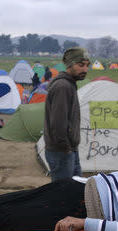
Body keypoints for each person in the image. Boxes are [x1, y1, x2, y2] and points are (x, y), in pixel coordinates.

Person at [44, 47, 90, 182]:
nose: (85, 70)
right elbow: (58, 123)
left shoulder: (69, 84)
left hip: (68, 149)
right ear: (70, 64)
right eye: (81, 65)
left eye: (87, 65)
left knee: (76, 190)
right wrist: (66, 148)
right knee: (63, 196)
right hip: (62, 151)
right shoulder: (63, 87)